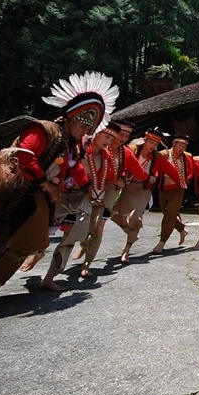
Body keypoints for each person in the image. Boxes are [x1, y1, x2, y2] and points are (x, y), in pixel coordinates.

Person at [0, 71, 118, 312]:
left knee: (27, 243)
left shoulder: (70, 146)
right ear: (70, 116)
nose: (85, 129)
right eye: (83, 122)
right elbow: (23, 155)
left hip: (34, 199)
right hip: (13, 193)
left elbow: (76, 172)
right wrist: (47, 184)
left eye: (90, 126)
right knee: (0, 240)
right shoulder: (44, 130)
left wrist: (90, 190)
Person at [37, 122, 118, 290]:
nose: (108, 141)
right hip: (58, 193)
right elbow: (68, 166)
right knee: (38, 232)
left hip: (83, 198)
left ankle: (50, 276)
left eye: (112, 138)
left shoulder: (105, 156)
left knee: (71, 237)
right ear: (96, 132)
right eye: (106, 136)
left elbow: (109, 176)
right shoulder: (77, 147)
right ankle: (35, 254)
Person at [69, 119, 150, 268]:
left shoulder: (125, 152)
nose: (123, 138)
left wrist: (144, 179)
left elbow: (139, 171)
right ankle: (84, 245)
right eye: (121, 134)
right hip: (88, 187)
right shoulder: (97, 147)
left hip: (109, 190)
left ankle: (87, 263)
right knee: (84, 222)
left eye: (127, 135)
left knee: (99, 225)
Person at [111, 128, 180, 262]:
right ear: (145, 140)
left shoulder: (158, 157)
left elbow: (171, 171)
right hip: (128, 187)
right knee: (115, 214)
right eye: (151, 143)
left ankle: (127, 249)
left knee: (136, 218)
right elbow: (119, 165)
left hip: (144, 189)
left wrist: (181, 182)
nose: (153, 147)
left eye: (156, 145)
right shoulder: (132, 149)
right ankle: (131, 234)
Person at [153, 134, 199, 254]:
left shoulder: (187, 157)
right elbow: (154, 167)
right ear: (174, 144)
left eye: (185, 145)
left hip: (178, 189)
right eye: (180, 144)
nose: (182, 147)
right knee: (167, 213)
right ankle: (182, 229)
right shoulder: (163, 154)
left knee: (169, 215)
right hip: (164, 188)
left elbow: (197, 169)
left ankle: (162, 242)